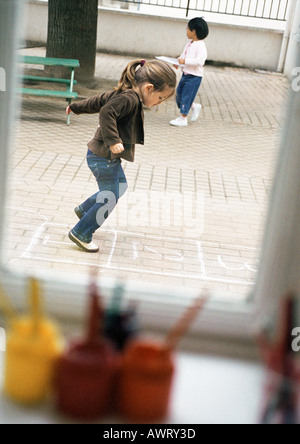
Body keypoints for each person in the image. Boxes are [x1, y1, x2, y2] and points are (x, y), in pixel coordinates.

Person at [66, 59, 176, 252]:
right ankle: (81, 232)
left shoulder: (124, 94)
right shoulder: (129, 99)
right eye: (160, 98)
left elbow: (98, 101)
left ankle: (84, 210)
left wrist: (76, 107)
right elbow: (106, 111)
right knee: (109, 197)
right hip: (103, 157)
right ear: (149, 88)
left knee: (120, 186)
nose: (159, 103)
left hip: (102, 156)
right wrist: (114, 140)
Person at [170, 17, 209, 127]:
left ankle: (183, 118)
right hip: (186, 74)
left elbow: (200, 61)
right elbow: (183, 55)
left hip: (194, 76)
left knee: (186, 96)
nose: (186, 31)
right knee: (179, 94)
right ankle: (193, 106)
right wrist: (178, 62)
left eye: (187, 29)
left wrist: (185, 61)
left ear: (193, 31)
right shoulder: (189, 43)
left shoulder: (200, 45)